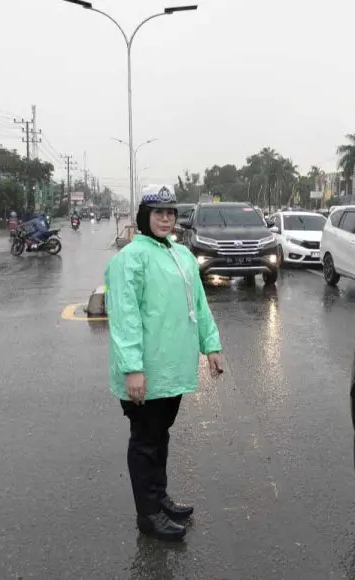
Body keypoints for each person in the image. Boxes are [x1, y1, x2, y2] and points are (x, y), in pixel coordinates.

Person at [105, 187, 224, 541]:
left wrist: (212, 346)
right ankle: (148, 514)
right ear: (144, 216)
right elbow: (124, 318)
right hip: (145, 371)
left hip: (174, 370)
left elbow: (199, 306)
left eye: (170, 213)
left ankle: (160, 498)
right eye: (157, 213)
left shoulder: (182, 255)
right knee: (145, 441)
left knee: (160, 436)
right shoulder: (130, 258)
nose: (165, 219)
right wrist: (133, 369)